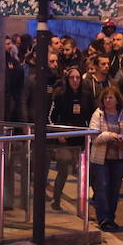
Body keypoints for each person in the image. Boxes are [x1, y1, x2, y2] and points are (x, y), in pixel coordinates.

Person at [87, 86, 123, 231]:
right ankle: (103, 218)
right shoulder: (98, 114)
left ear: (117, 100)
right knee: (102, 187)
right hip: (101, 159)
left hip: (118, 157)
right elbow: (93, 135)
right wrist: (109, 135)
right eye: (105, 98)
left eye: (111, 97)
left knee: (114, 189)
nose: (108, 100)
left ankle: (111, 217)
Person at [48, 67, 92, 210]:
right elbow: (51, 117)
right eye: (72, 77)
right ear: (67, 79)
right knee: (63, 170)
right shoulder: (60, 95)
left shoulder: (86, 95)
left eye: (77, 77)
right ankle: (56, 199)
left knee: (84, 171)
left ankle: (85, 203)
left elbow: (92, 115)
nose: (75, 80)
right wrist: (59, 133)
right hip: (65, 138)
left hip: (81, 137)